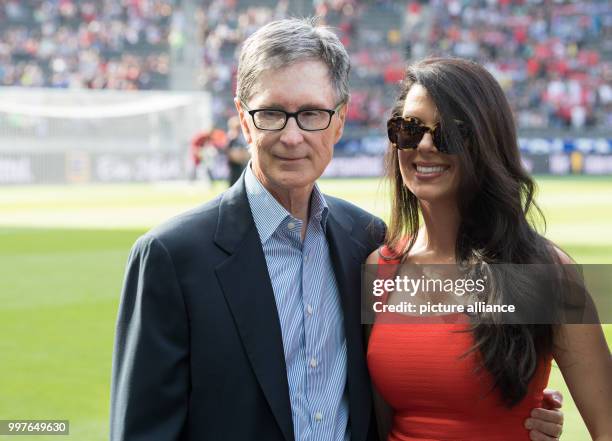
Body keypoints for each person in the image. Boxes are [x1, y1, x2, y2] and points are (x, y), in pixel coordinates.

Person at [110, 19, 566, 441]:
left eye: (312, 114)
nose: (293, 136)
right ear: (244, 120)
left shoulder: (367, 243)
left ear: (341, 119)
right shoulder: (171, 256)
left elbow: (410, 383)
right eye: (271, 114)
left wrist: (513, 413)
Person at [366, 57, 612, 440]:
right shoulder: (378, 268)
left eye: (449, 132)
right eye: (409, 129)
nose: (425, 145)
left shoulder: (544, 270)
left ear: (485, 142)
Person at [226, 115, 250, 186]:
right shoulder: (231, 139)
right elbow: (232, 155)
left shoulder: (241, 138)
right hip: (235, 168)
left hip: (242, 166)